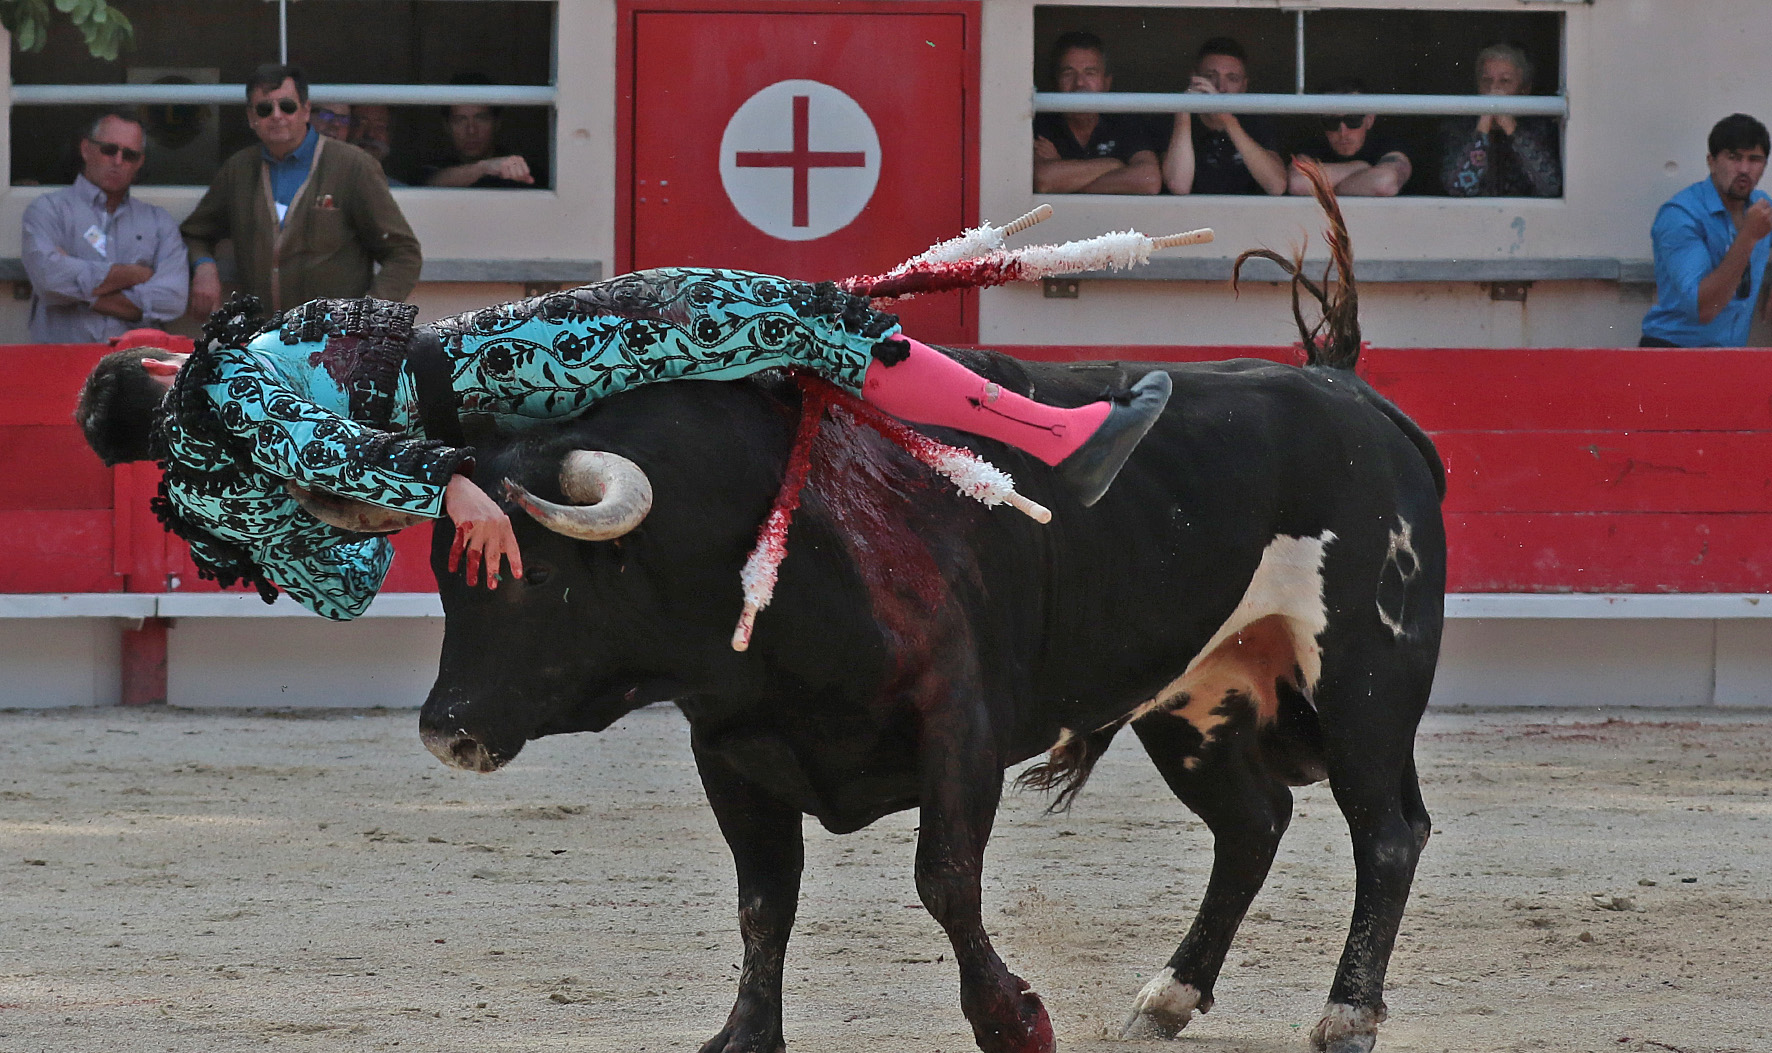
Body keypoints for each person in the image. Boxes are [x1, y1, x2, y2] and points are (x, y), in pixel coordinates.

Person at [73, 270, 1172, 621]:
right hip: (500, 368)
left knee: (777, 332)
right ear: (158, 366)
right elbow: (327, 447)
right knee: (791, 313)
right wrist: (448, 482)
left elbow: (347, 580)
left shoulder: (209, 503)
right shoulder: (216, 386)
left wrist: (415, 493)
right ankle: (1061, 436)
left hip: (496, 427)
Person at [181, 64, 422, 320]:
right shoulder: (239, 170)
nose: (276, 116)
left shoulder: (352, 166)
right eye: (264, 109)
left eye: (287, 106)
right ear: (251, 118)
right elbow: (196, 233)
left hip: (333, 340)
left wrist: (367, 318)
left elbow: (403, 253)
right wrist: (204, 268)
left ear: (305, 111)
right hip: (264, 339)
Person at [20, 110, 189, 343]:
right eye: (109, 150)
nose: (118, 161)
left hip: (133, 368)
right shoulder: (48, 210)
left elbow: (172, 300)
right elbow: (48, 280)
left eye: (129, 155)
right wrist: (134, 274)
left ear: (139, 162)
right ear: (86, 149)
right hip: (61, 361)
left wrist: (77, 289)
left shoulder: (158, 222)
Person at [1639, 114, 1772, 348]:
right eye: (1733, 157)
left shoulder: (1761, 205)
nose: (1744, 169)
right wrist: (1749, 237)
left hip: (1729, 357)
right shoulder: (1681, 215)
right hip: (1674, 352)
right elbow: (1704, 309)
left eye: (1754, 159)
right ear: (1711, 161)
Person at [1032, 31, 1161, 195]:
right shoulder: (1042, 120)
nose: (1079, 83)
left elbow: (1148, 181)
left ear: (1107, 83)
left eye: (1090, 73)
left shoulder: (1123, 119)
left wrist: (1065, 177)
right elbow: (1043, 181)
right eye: (1068, 73)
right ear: (1055, 81)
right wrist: (1113, 164)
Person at [1161, 37, 1287, 196]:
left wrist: (1227, 120)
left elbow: (1276, 186)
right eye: (1210, 76)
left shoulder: (1255, 119)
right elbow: (1178, 185)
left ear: (1244, 86)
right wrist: (1184, 109)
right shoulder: (1175, 118)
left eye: (1232, 78)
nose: (1221, 87)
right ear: (1194, 77)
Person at [1439, 43, 1561, 198]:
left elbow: (1550, 188)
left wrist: (1512, 129)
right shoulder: (1460, 127)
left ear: (1524, 89)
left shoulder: (1539, 127)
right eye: (1486, 80)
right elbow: (1457, 189)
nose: (1493, 89)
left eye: (1505, 81)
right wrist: (1483, 127)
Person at [1288, 81, 1412, 197]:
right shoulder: (1314, 145)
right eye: (1331, 121)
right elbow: (1297, 183)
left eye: (1353, 120)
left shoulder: (1387, 145)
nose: (1342, 131)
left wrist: (1330, 188)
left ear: (1369, 120)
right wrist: (1358, 167)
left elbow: (1384, 183)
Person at [423, 74, 537, 188]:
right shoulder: (433, 171)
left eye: (481, 118)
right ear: (446, 125)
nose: (471, 130)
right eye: (460, 120)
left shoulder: (521, 172)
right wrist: (484, 168)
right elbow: (429, 183)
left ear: (497, 123)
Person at [347, 103, 407, 186]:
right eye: (361, 124)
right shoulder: (328, 184)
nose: (370, 134)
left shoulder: (404, 193)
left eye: (380, 127)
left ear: (390, 136)